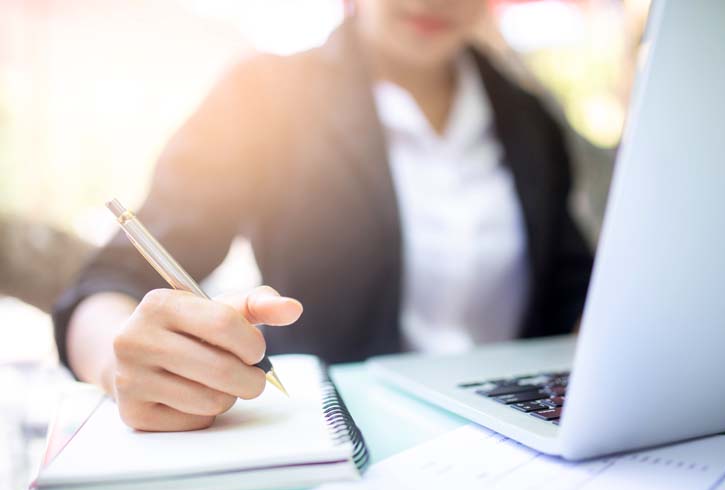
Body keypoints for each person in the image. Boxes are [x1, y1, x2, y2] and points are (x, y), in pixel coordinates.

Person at [53, 0, 593, 432]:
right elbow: (111, 281)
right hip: (332, 435)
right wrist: (117, 365)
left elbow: (574, 286)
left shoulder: (529, 118)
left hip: (519, 434)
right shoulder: (264, 95)